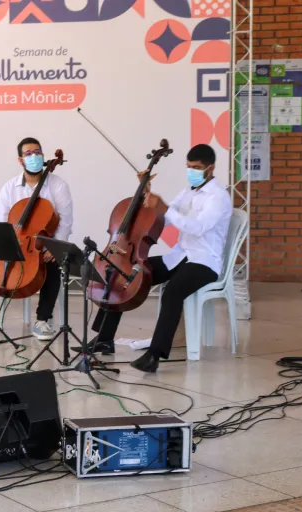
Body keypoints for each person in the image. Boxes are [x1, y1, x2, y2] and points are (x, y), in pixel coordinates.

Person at [83, 144, 231, 373]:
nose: (192, 171)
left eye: (197, 167)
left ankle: (154, 355)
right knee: (123, 275)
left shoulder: (218, 197)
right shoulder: (189, 191)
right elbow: (166, 218)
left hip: (205, 261)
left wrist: (164, 208)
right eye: (189, 167)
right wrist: (147, 194)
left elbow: (198, 228)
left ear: (210, 168)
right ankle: (104, 338)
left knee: (173, 291)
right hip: (180, 256)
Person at [0, 137, 74, 341]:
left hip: (42, 244)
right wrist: (0, 244)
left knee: (52, 261)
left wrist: (54, 246)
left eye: (38, 152)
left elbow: (65, 221)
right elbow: (0, 219)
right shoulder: (10, 187)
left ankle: (43, 319)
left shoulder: (58, 186)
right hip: (15, 242)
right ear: (20, 160)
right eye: (29, 154)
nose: (34, 157)